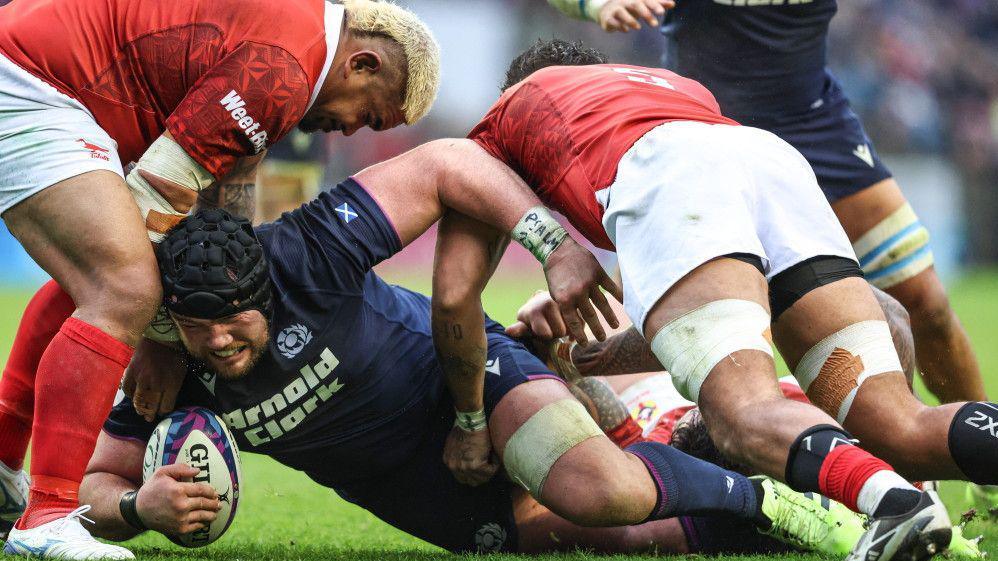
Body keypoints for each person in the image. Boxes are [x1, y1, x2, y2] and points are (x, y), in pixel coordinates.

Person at [437, 38, 998, 561]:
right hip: (767, 159)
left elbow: (455, 295)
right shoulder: (666, 85)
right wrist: (598, 356)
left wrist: (468, 419)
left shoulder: (507, 120)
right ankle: (899, 487)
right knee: (895, 424)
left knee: (743, 417)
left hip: (670, 175)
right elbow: (712, 315)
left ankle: (897, 506)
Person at [78, 205, 861, 557]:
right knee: (625, 536)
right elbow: (93, 488)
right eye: (195, 327)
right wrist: (135, 506)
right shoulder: (170, 370)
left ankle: (780, 497)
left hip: (465, 373)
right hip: (409, 488)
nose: (217, 342)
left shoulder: (306, 261)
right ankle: (753, 509)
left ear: (264, 295)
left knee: (598, 489)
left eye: (235, 322)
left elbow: (447, 166)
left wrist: (544, 238)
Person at [0, 0, 442, 557]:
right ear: (364, 64)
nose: (352, 130)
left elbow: (223, 214)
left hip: (36, 72)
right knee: (124, 287)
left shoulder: (292, 44)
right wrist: (163, 340)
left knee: (97, 282)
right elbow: (158, 195)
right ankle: (47, 518)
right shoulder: (284, 71)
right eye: (370, 115)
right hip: (29, 83)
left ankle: (2, 465)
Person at [543, 0, 987, 406]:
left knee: (926, 304)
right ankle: (577, 430)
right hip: (703, 126)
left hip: (816, 125)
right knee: (647, 319)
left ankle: (987, 482)